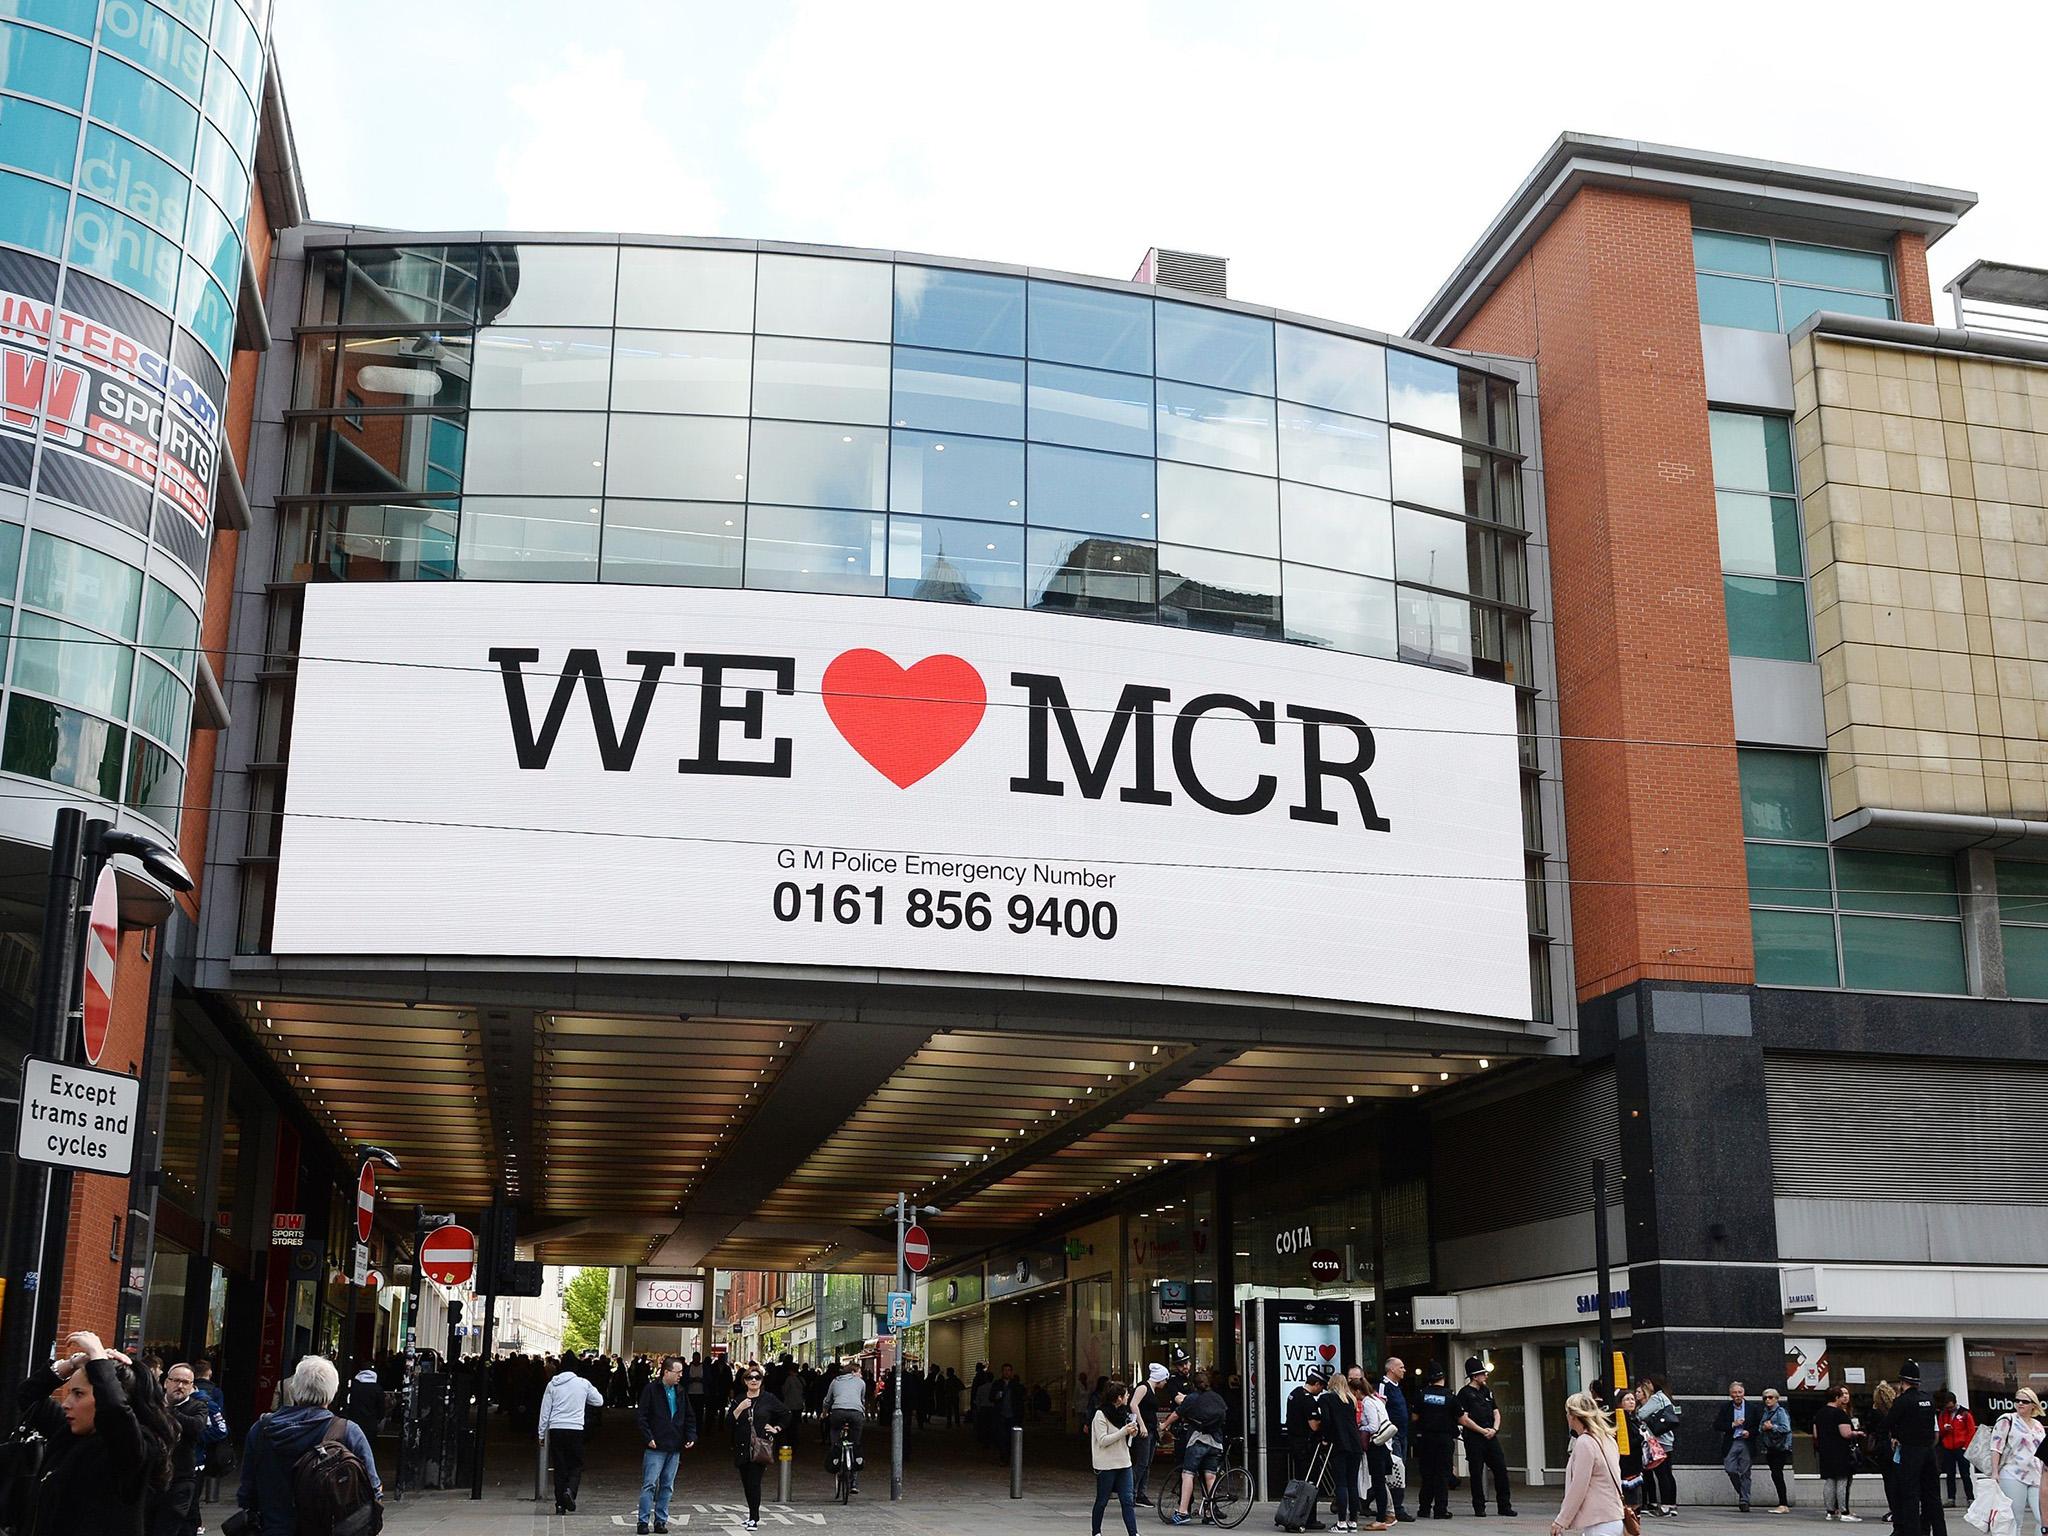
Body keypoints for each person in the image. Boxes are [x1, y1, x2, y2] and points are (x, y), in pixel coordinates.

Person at [18, 1330, 172, 1536]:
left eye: (79, 1394)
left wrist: (99, 1358)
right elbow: (28, 1396)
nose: (66, 1403)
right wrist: (71, 1365)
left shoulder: (133, 1447)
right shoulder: (69, 1433)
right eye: (70, 1392)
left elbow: (116, 1413)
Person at [235, 1355, 381, 1536]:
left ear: (295, 1388)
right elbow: (372, 1489)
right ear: (333, 1391)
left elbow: (246, 1491)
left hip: (273, 1528)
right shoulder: (347, 1431)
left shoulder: (261, 1429)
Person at [635, 1355, 698, 1535]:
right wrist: (648, 1437)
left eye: (681, 1373)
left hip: (674, 1444)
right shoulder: (651, 1390)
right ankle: (643, 1521)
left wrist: (691, 1435)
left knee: (667, 1485)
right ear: (666, 1372)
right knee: (649, 1484)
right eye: (677, 1372)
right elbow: (642, 1416)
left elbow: (689, 1416)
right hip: (655, 1445)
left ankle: (661, 1521)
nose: (680, 1376)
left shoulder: (680, 1391)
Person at [1883, 1360, 1945, 1536]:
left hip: (1910, 1452)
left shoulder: (1902, 1401)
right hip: (1929, 1452)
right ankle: (1939, 1531)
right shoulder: (1928, 1399)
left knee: (1910, 1496)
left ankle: (1913, 1532)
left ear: (1903, 1382)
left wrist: (1894, 1436)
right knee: (1933, 1497)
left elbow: (1887, 1423)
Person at [1551, 1392, 1626, 1536]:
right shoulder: (1608, 1439)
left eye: (1567, 1412)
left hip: (1598, 1522)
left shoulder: (1585, 1442)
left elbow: (1579, 1486)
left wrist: (1562, 1520)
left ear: (1573, 1416)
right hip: (1612, 1517)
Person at [540, 1355, 604, 1514]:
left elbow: (545, 1411)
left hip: (556, 1428)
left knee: (559, 1467)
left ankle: (559, 1504)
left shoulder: (552, 1384)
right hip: (575, 1428)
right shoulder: (583, 1384)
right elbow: (599, 1401)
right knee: (576, 1465)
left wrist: (541, 1433)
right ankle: (570, 1491)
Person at [152, 1362, 210, 1536]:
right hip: (153, 1478)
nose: (180, 1386)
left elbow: (196, 1427)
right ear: (165, 1382)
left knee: (173, 1526)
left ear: (192, 1386)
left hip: (181, 1478)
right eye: (176, 1380)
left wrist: (167, 1411)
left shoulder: (198, 1406)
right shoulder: (152, 1405)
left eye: (186, 1382)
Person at [1457, 1357, 1517, 1518]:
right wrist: (1482, 1431)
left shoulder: (1487, 1391)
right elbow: (1463, 1418)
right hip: (1475, 1437)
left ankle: (1504, 1505)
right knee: (1476, 1472)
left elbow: (1496, 1411)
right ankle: (1479, 1506)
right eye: (1483, 1374)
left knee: (1500, 1470)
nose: (1486, 1376)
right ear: (1474, 1376)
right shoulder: (1464, 1394)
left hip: (1491, 1436)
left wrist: (1494, 1429)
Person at [730, 1364, 785, 1531]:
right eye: (750, 1378)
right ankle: (751, 1515)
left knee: (754, 1482)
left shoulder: (768, 1398)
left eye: (757, 1378)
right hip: (741, 1446)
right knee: (746, 1483)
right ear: (745, 1381)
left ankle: (754, 1517)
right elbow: (729, 1423)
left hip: (760, 1446)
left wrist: (776, 1428)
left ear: (761, 1381)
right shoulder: (739, 1399)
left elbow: (786, 1413)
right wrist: (740, 1408)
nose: (753, 1380)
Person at [1320, 1367, 1369, 1535]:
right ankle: (1353, 1522)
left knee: (1340, 1484)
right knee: (1352, 1484)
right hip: (1355, 1445)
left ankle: (1341, 1522)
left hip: (1340, 1445)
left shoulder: (1326, 1398)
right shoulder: (1351, 1399)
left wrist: (1325, 1438)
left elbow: (1326, 1420)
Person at [1990, 1388, 2044, 1536]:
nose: (2020, 1404)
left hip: (2036, 1475)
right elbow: (1996, 1446)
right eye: (2017, 1400)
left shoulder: (2038, 1426)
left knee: (2043, 1519)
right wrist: (1994, 1472)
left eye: (2025, 1401)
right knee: (2015, 1520)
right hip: (2012, 1473)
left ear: (2033, 1405)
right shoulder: (2007, 1419)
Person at [1092, 1378, 1143, 1536]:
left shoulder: (1124, 1413)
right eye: (1126, 1395)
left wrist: (1132, 1433)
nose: (1128, 1397)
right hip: (1106, 1464)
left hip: (1124, 1462)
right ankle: (1096, 1532)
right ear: (1119, 1398)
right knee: (1102, 1500)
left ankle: (1133, 1533)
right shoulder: (1100, 1415)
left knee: (1127, 1500)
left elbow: (1125, 1440)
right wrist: (1124, 1432)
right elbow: (1103, 1441)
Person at [1816, 1383, 1866, 1523]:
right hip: (1839, 1451)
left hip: (1825, 1450)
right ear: (1836, 1397)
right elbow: (1845, 1433)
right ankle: (1844, 1511)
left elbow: (1815, 1433)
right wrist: (1857, 1433)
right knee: (1842, 1481)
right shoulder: (1839, 1413)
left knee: (1830, 1481)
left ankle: (1830, 1511)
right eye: (1841, 1396)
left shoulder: (1820, 1413)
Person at [1413, 1364, 1457, 1521]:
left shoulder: (1421, 1395)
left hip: (1426, 1439)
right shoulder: (1450, 1396)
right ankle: (1441, 1510)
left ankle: (1424, 1509)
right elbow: (1460, 1417)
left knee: (1427, 1475)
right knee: (1442, 1475)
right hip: (1444, 1439)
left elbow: (1415, 1417)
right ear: (1443, 1378)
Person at [1352, 1367, 1394, 1529]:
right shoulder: (1376, 1400)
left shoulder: (1368, 1403)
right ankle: (1383, 1517)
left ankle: (1381, 1519)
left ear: (1357, 1391)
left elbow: (1373, 1426)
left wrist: (1360, 1427)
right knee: (1379, 1482)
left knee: (1378, 1482)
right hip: (1383, 1445)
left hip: (1376, 1445)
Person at [1634, 1377, 1681, 1516]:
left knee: (1662, 1474)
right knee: (1667, 1473)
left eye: (1647, 1383)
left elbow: (1640, 1414)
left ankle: (1666, 1505)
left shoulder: (1656, 1398)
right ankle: (1671, 1504)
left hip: (1660, 1441)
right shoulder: (1664, 1397)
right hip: (1666, 1440)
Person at [1715, 1379, 1762, 1512]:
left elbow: (1758, 1426)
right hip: (1732, 1442)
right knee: (1730, 1469)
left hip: (1746, 1443)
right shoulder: (1726, 1408)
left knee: (1745, 1472)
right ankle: (1742, 1492)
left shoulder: (1752, 1408)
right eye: (1734, 1392)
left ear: (1744, 1393)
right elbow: (1717, 1425)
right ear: (1730, 1394)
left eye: (1739, 1392)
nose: (1737, 1395)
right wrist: (1732, 1425)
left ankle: (1744, 1500)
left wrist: (1749, 1432)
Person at [823, 1357, 869, 1491]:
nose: (861, 1374)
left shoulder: (835, 1381)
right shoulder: (861, 1382)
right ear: (854, 1372)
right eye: (859, 1371)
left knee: (835, 1436)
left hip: (837, 1412)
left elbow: (828, 1400)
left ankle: (835, 1456)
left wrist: (824, 1412)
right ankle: (854, 1482)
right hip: (856, 1414)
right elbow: (861, 1400)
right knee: (855, 1444)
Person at [1287, 1366, 1329, 1483]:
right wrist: (1325, 1422)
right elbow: (1314, 1426)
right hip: (1305, 1445)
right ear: (1316, 1384)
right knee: (1309, 1477)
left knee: (1299, 1476)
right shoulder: (1308, 1400)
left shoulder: (1294, 1393)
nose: (1321, 1391)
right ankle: (1308, 1500)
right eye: (1321, 1387)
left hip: (1294, 1441)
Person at [1133, 1364, 1167, 1508]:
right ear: (1159, 1378)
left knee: (1146, 1464)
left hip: (1151, 1429)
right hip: (1145, 1430)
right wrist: (1141, 1424)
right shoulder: (1143, 1387)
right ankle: (1131, 1492)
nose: (1165, 1382)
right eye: (1165, 1379)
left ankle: (1140, 1493)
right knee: (1142, 1463)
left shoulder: (1151, 1389)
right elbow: (1133, 1405)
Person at [1938, 1394, 1976, 1509]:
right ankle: (1951, 1499)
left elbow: (1971, 1430)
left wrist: (1966, 1446)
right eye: (1948, 1407)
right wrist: (1945, 1429)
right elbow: (1939, 1429)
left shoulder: (1965, 1413)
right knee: (1950, 1474)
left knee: (1965, 1474)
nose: (1949, 1409)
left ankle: (1970, 1498)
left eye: (1951, 1407)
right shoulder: (1944, 1414)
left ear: (1955, 1403)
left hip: (1961, 1447)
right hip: (1948, 1447)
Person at [1761, 1387, 1795, 1512]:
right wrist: (1764, 1428)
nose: (1767, 1400)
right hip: (1771, 1447)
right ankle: (1782, 1503)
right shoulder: (1766, 1412)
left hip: (1780, 1448)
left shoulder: (1780, 1412)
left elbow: (1786, 1428)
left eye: (1770, 1397)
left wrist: (1772, 1427)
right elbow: (1761, 1427)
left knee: (1777, 1474)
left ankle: (1783, 1504)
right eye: (1765, 1398)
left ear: (1776, 1398)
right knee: (1775, 1474)